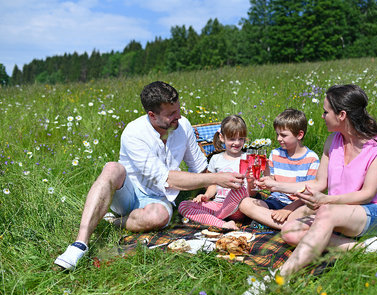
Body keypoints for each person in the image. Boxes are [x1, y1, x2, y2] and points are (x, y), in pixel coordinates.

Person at [54, 81, 244, 270]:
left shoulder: (183, 126)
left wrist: (221, 190)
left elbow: (200, 169)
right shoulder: (134, 133)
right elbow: (167, 179)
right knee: (112, 168)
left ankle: (114, 221)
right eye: (171, 114)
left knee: (159, 217)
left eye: (178, 110)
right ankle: (79, 244)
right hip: (129, 193)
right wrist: (216, 179)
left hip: (158, 199)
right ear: (152, 115)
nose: (178, 116)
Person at [262, 84, 377, 277]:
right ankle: (362, 248)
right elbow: (319, 184)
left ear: (341, 115)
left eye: (326, 112)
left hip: (374, 212)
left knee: (325, 212)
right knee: (290, 230)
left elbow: (367, 194)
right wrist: (275, 185)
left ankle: (279, 277)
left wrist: (325, 201)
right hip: (336, 212)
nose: (322, 116)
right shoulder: (332, 141)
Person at [238, 108, 320, 229]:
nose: (278, 139)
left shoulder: (311, 158)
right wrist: (258, 180)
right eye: (277, 134)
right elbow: (271, 180)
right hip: (275, 200)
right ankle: (286, 226)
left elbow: (310, 193)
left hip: (298, 204)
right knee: (245, 203)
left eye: (283, 135)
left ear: (299, 135)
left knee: (313, 209)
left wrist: (287, 210)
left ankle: (267, 221)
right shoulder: (275, 153)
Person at [178, 115, 253, 230]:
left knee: (239, 188)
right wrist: (206, 196)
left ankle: (213, 218)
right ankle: (222, 224)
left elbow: (251, 191)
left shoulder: (248, 157)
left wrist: (251, 180)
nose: (237, 143)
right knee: (184, 205)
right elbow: (213, 185)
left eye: (241, 138)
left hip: (239, 206)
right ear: (222, 138)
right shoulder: (216, 159)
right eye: (232, 139)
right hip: (219, 204)